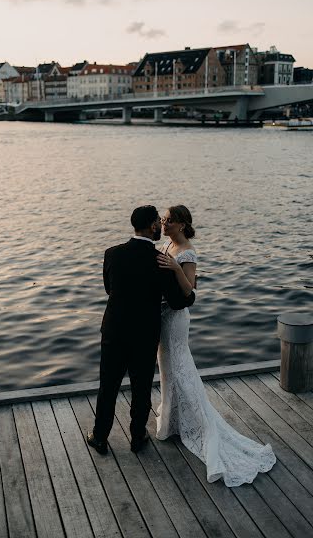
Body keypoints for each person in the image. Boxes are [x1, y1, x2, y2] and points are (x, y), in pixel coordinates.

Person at [156, 204, 276, 486]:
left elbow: (189, 289)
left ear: (182, 225)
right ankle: (172, 420)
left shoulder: (186, 252)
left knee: (180, 367)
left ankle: (200, 425)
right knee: (166, 370)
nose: (164, 224)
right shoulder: (166, 244)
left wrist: (175, 267)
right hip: (162, 315)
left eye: (169, 221)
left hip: (175, 319)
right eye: (163, 220)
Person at [87, 205, 195, 455]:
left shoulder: (112, 254)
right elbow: (179, 301)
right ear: (151, 226)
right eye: (158, 221)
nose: (161, 224)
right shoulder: (160, 261)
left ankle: (100, 437)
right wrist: (191, 292)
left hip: (114, 330)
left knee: (108, 386)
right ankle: (137, 438)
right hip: (145, 335)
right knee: (141, 387)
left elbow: (108, 288)